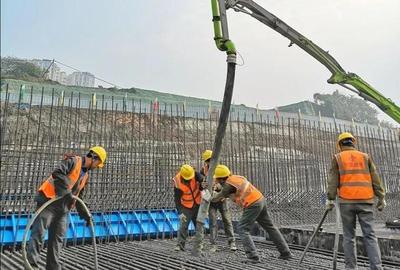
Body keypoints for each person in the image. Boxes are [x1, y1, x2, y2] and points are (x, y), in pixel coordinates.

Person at [27, 146, 107, 270]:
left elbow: (78, 197)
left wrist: (86, 214)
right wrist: (67, 193)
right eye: (98, 163)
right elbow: (57, 173)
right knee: (38, 235)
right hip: (48, 202)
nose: (97, 167)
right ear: (94, 158)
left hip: (62, 209)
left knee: (57, 241)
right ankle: (31, 267)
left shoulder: (85, 176)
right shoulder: (73, 161)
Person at [326, 132, 386, 270]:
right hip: (366, 201)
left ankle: (351, 268)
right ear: (353, 143)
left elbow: (333, 181)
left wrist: (330, 198)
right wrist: (381, 197)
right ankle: (377, 267)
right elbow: (375, 179)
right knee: (370, 236)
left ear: (340, 145)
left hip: (346, 202)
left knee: (349, 237)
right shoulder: (365, 157)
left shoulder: (338, 157)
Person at [211, 165, 292, 263]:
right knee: (270, 227)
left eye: (217, 179)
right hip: (260, 199)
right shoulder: (236, 178)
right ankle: (286, 253)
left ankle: (252, 256)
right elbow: (230, 193)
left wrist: (207, 197)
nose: (216, 181)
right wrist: (219, 190)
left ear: (221, 179)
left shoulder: (228, 185)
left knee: (242, 228)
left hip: (252, 204)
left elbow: (218, 197)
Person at [200, 150, 236, 252]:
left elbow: (230, 183)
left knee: (227, 221)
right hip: (211, 201)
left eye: (211, 159)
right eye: (208, 160)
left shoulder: (222, 169)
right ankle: (214, 244)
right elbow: (201, 184)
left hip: (222, 199)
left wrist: (224, 193)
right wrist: (203, 185)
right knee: (213, 222)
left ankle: (232, 242)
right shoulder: (203, 171)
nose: (210, 162)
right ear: (206, 161)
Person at [173, 164, 206, 251]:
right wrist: (180, 213)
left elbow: (202, 179)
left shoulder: (194, 174)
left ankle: (199, 245)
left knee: (199, 225)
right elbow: (177, 199)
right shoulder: (177, 182)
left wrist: (203, 183)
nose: (189, 180)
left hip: (198, 203)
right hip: (186, 206)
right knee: (183, 225)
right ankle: (180, 245)